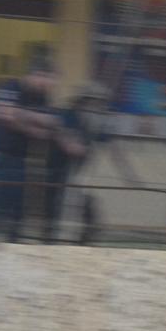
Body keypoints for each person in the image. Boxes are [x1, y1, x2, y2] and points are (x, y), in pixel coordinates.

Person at [0, 59, 58, 243]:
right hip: (1, 156)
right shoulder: (10, 87)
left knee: (17, 211)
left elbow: (49, 123)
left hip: (22, 158)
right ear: (38, 74)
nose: (49, 86)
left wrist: (21, 116)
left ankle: (13, 244)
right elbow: (4, 114)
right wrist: (32, 122)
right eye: (48, 80)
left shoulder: (41, 97)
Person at [43, 83, 108, 244]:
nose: (97, 107)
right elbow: (68, 143)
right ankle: (50, 241)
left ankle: (84, 241)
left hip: (77, 174)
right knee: (55, 211)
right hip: (58, 171)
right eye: (94, 102)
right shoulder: (67, 116)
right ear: (83, 102)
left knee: (87, 208)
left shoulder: (92, 122)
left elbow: (104, 137)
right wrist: (76, 145)